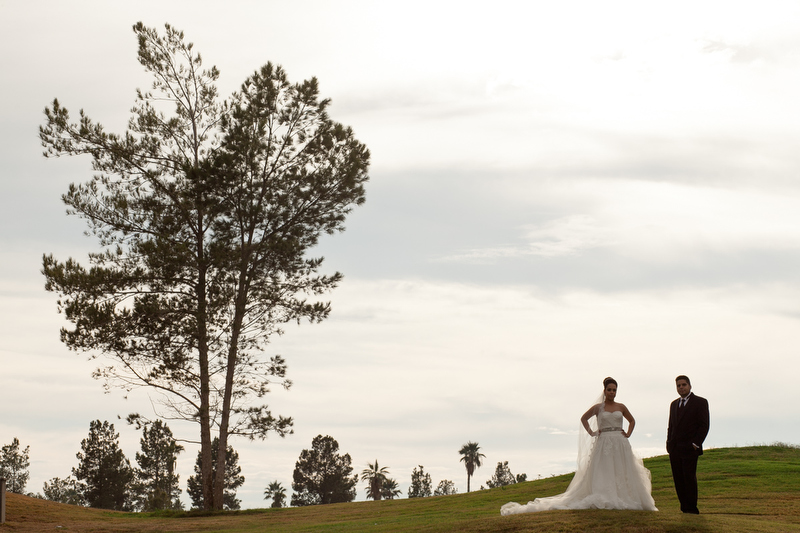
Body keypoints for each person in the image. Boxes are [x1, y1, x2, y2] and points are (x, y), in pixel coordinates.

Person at [501, 377, 657, 515]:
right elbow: (584, 419)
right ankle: (605, 495)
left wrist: (628, 433)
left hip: (620, 441)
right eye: (609, 390)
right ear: (604, 390)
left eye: (614, 390)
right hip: (604, 442)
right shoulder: (598, 408)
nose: (612, 392)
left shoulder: (621, 407)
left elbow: (632, 420)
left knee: (623, 469)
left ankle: (625, 496)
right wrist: (592, 432)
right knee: (605, 469)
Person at [666, 375, 709, 514]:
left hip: (690, 448)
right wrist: (669, 444)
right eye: (678, 385)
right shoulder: (673, 404)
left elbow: (704, 425)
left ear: (690, 386)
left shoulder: (700, 402)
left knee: (689, 478)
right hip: (675, 449)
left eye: (684, 385)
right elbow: (670, 426)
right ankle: (684, 508)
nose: (681, 387)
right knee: (678, 479)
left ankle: (692, 509)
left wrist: (696, 444)